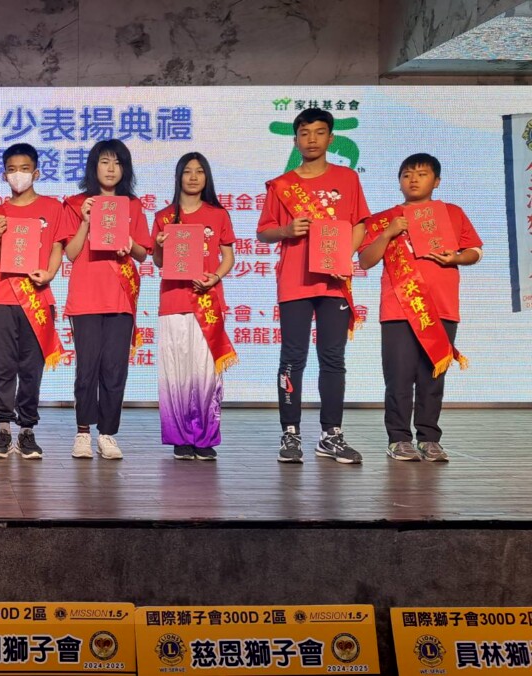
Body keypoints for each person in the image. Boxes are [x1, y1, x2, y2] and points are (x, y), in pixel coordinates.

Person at [257, 108, 369, 464]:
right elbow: (263, 232)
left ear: (330, 138)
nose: (312, 140)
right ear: (295, 140)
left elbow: (360, 224)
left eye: (319, 133)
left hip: (333, 282)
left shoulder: (347, 179)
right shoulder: (281, 185)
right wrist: (286, 231)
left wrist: (342, 257)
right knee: (292, 357)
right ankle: (290, 433)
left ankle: (331, 434)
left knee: (333, 358)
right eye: (304, 133)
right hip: (295, 281)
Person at [357, 153, 481, 462]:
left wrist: (455, 258)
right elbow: (365, 260)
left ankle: (429, 439)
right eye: (406, 174)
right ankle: (399, 439)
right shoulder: (384, 219)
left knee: (432, 378)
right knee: (398, 377)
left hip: (442, 307)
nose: (413, 179)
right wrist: (388, 233)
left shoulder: (452, 213)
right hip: (399, 309)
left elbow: (475, 251)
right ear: (399, 181)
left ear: (436, 181)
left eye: (422, 174)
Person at [61, 140, 151, 460]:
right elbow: (70, 253)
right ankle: (83, 432)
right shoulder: (75, 204)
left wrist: (129, 242)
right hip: (85, 297)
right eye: (105, 162)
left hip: (120, 298)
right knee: (87, 368)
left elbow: (143, 253)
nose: (111, 169)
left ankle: (108, 434)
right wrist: (86, 221)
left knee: (115, 369)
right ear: (93, 166)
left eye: (118, 163)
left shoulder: (133, 206)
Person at [0, 143, 68, 460]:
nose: (18, 175)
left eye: (24, 169)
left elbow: (58, 246)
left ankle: (27, 430)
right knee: (1, 367)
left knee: (31, 368)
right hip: (1, 299)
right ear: (4, 175)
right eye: (12, 170)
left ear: (36, 173)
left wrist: (50, 273)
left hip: (38, 298)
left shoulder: (53, 208)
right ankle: (3, 429)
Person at [151, 152, 237, 461]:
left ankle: (204, 437)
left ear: (206, 177)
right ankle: (180, 438)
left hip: (207, 301)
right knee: (175, 372)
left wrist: (215, 277)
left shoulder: (218, 214)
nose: (193, 177)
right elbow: (158, 262)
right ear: (178, 176)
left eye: (199, 171)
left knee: (205, 372)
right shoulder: (163, 216)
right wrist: (159, 245)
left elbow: (228, 257)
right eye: (187, 171)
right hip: (174, 300)